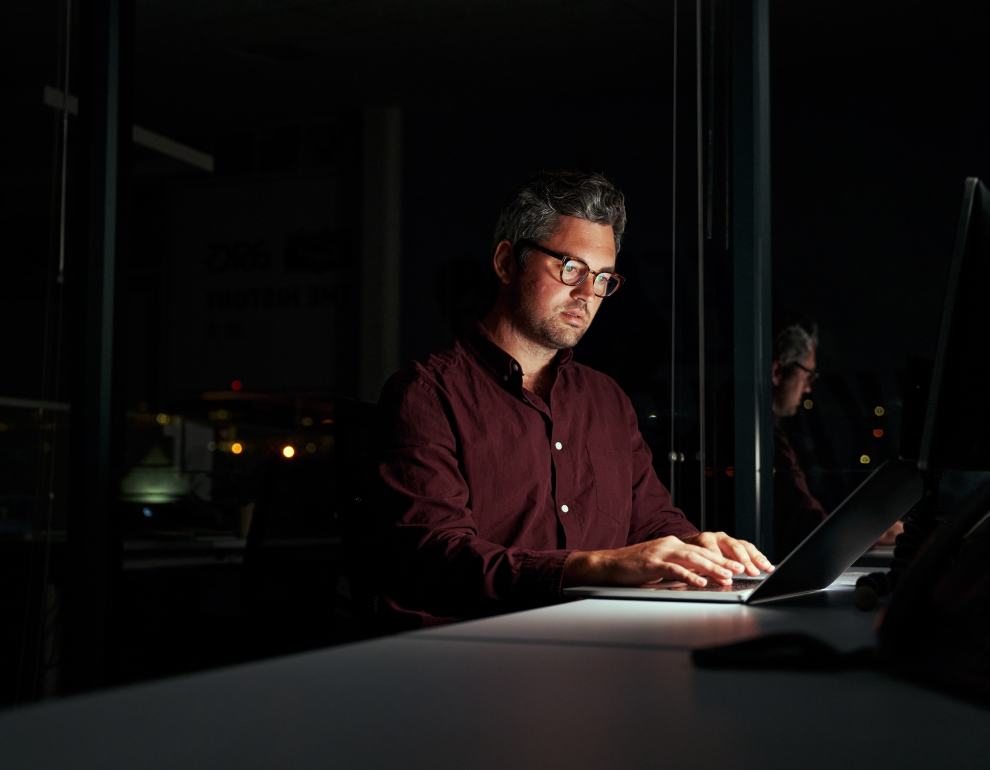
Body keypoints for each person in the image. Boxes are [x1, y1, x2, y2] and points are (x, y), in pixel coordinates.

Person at [371, 171, 772, 628]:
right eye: (571, 268)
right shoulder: (425, 394)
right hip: (471, 649)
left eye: (602, 278)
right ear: (506, 262)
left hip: (598, 639)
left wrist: (699, 549)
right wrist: (595, 566)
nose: (587, 294)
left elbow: (651, 523)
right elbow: (435, 557)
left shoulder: (607, 400)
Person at [771, 322, 901, 555]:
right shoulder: (769, 440)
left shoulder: (767, 432)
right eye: (807, 376)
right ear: (777, 372)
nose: (808, 389)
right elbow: (808, 522)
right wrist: (876, 531)